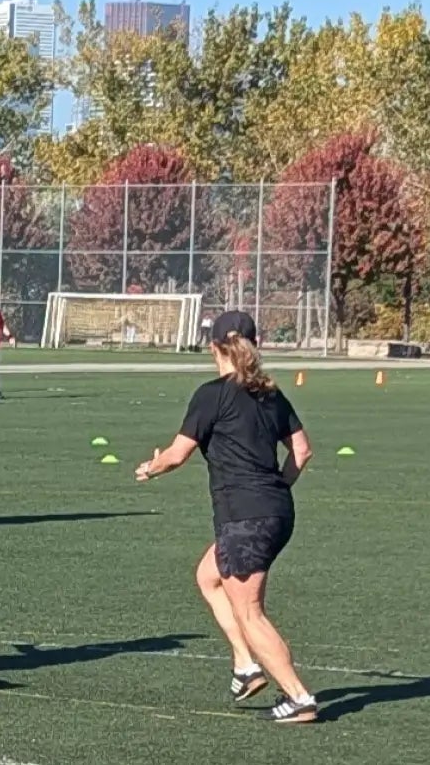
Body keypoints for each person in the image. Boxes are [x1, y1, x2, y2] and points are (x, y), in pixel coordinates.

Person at [134, 310, 319, 724]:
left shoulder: (211, 394)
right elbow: (302, 451)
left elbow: (177, 455)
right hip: (275, 510)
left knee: (250, 611)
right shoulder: (271, 394)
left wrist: (150, 467)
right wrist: (275, 489)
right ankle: (245, 665)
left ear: (214, 347)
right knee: (208, 576)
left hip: (245, 518)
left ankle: (299, 696)